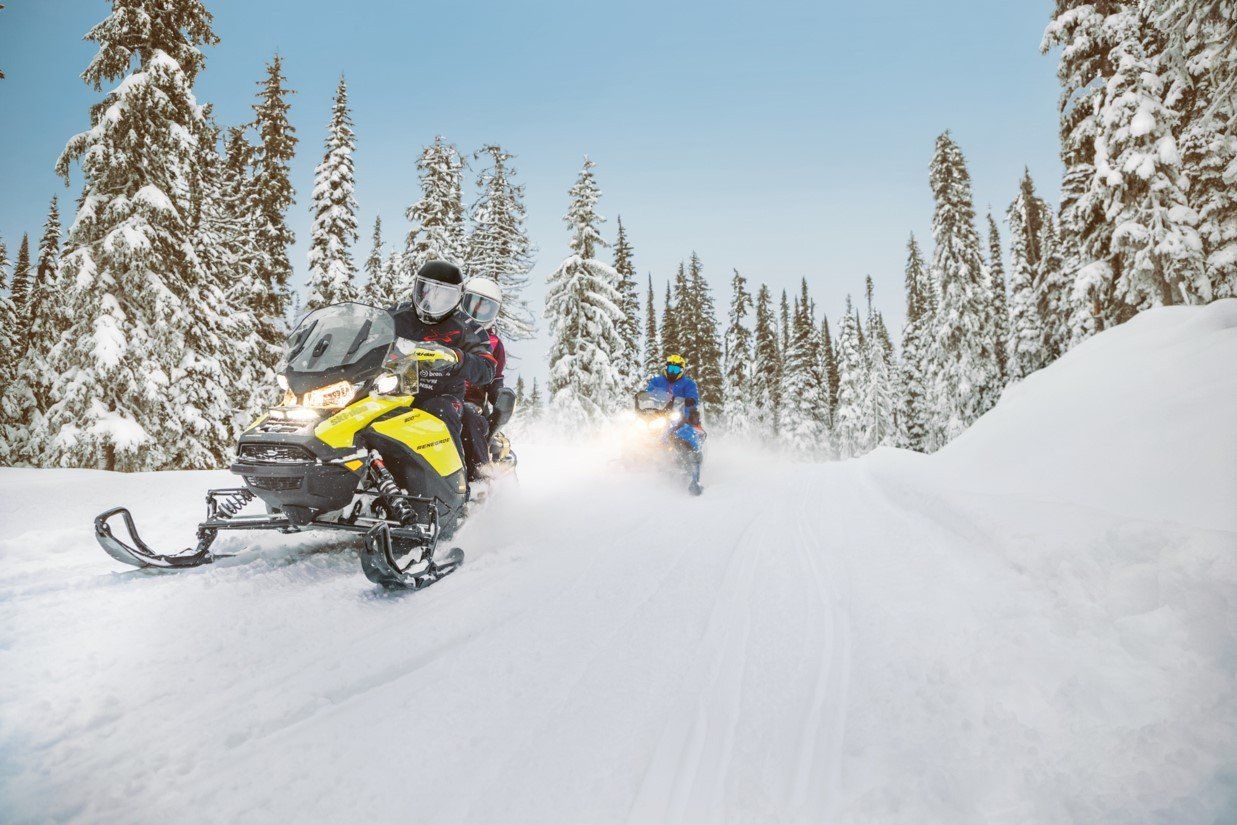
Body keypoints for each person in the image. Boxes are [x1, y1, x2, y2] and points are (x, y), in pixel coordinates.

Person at [386, 261, 496, 474]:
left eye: (444, 295)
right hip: (391, 391)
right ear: (417, 288)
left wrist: (457, 358)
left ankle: (456, 481)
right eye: (426, 290)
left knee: (440, 412)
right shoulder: (395, 316)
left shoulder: (467, 327)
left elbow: (487, 368)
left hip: (441, 395)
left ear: (457, 298)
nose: (432, 300)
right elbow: (367, 336)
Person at [459, 277, 507, 481]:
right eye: (473, 303)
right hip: (431, 389)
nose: (477, 312)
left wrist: (500, 400)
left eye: (485, 308)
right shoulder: (449, 330)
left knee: (469, 418)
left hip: (471, 401)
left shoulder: (494, 343)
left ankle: (479, 477)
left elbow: (495, 380)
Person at [644, 354, 705, 494]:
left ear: (681, 370)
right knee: (638, 431)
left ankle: (695, 462)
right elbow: (649, 392)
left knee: (685, 433)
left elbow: (693, 395)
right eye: (670, 368)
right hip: (659, 415)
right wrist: (646, 397)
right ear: (666, 367)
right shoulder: (658, 381)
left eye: (676, 370)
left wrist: (690, 400)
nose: (672, 372)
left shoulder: (688, 383)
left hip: (681, 417)